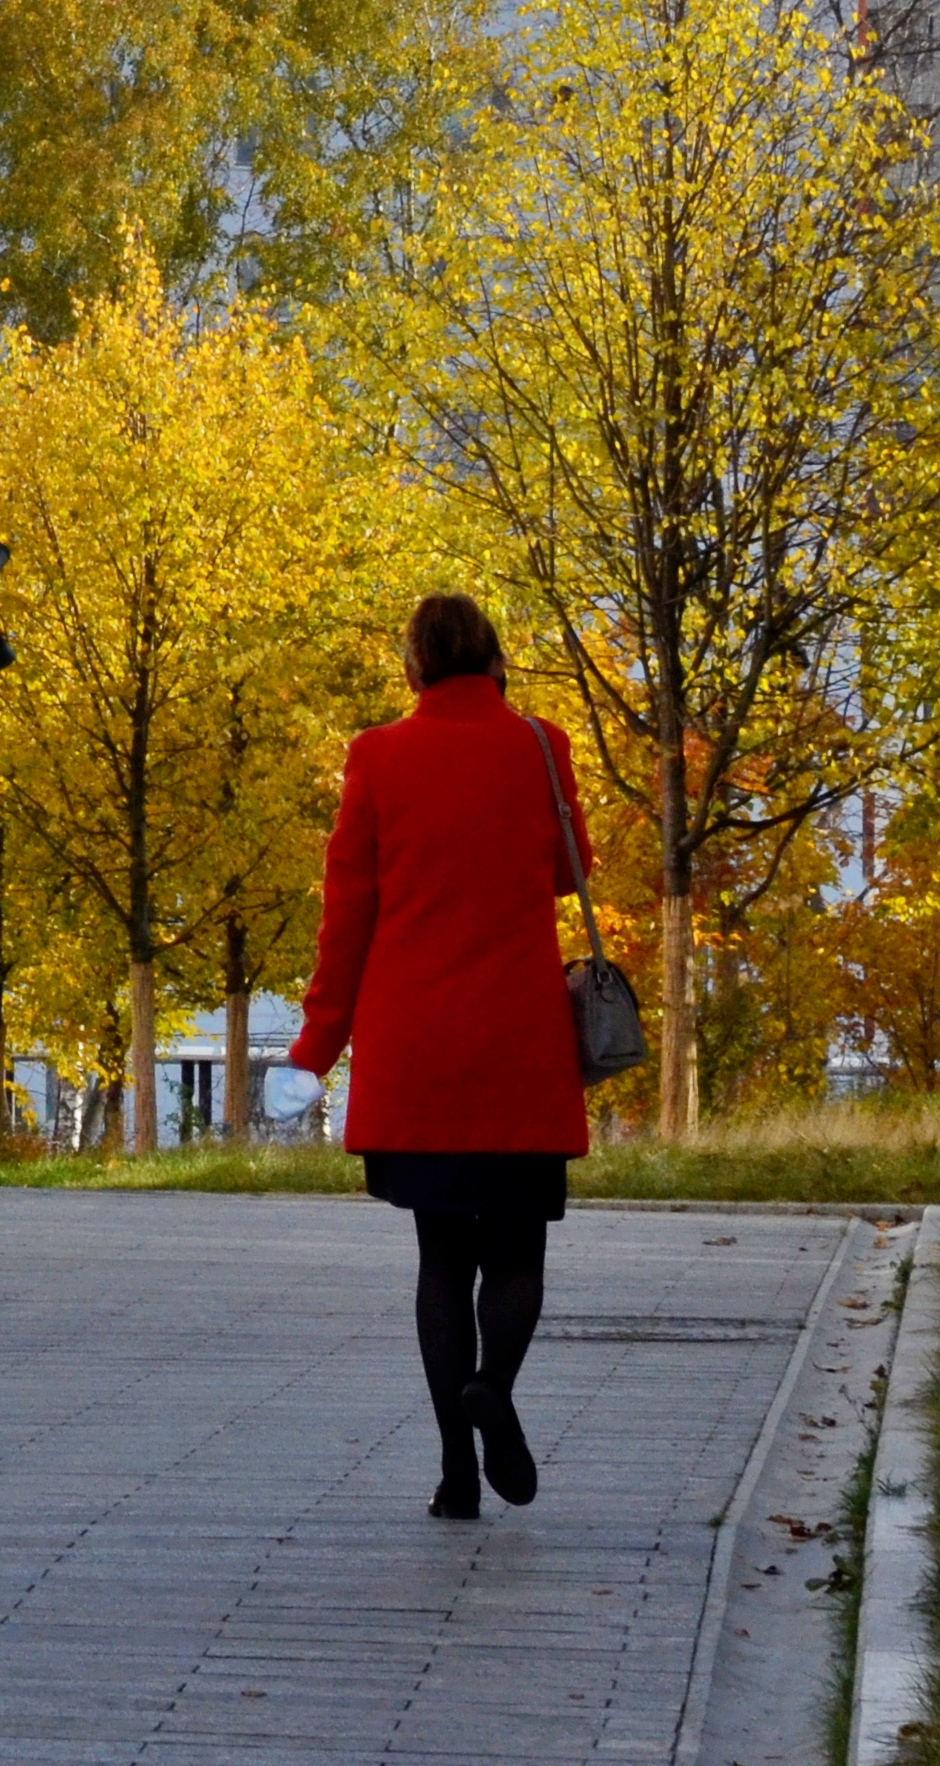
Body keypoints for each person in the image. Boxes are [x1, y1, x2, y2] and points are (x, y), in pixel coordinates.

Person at [288, 591, 594, 1522]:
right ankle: (494, 1387)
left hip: (417, 1044)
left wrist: (321, 1035)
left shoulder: (377, 757)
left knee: (440, 1259)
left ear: (415, 664)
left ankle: (457, 1477)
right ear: (494, 657)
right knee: (517, 1250)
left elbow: (350, 916)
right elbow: (565, 869)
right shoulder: (543, 746)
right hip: (518, 1041)